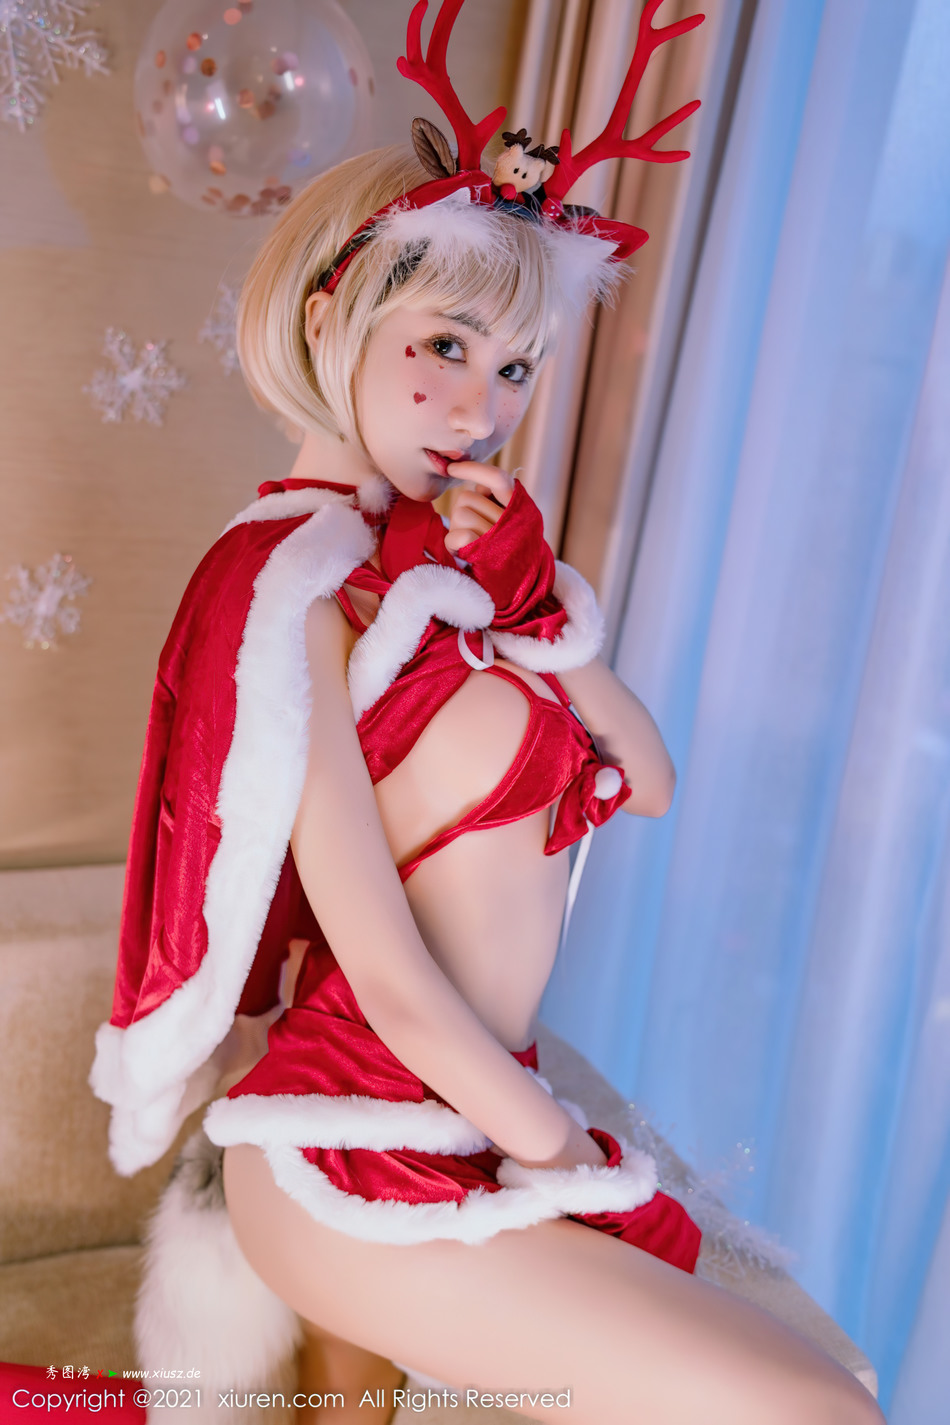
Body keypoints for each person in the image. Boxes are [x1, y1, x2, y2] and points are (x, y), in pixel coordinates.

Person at [91, 4, 886, 1422]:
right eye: (447, 345)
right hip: (349, 1131)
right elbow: (389, 975)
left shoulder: (440, 580)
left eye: (513, 367)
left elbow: (646, 778)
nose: (482, 406)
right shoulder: (285, 592)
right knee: (820, 1408)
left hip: (463, 1107)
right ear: (331, 319)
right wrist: (560, 1151)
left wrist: (534, 602)